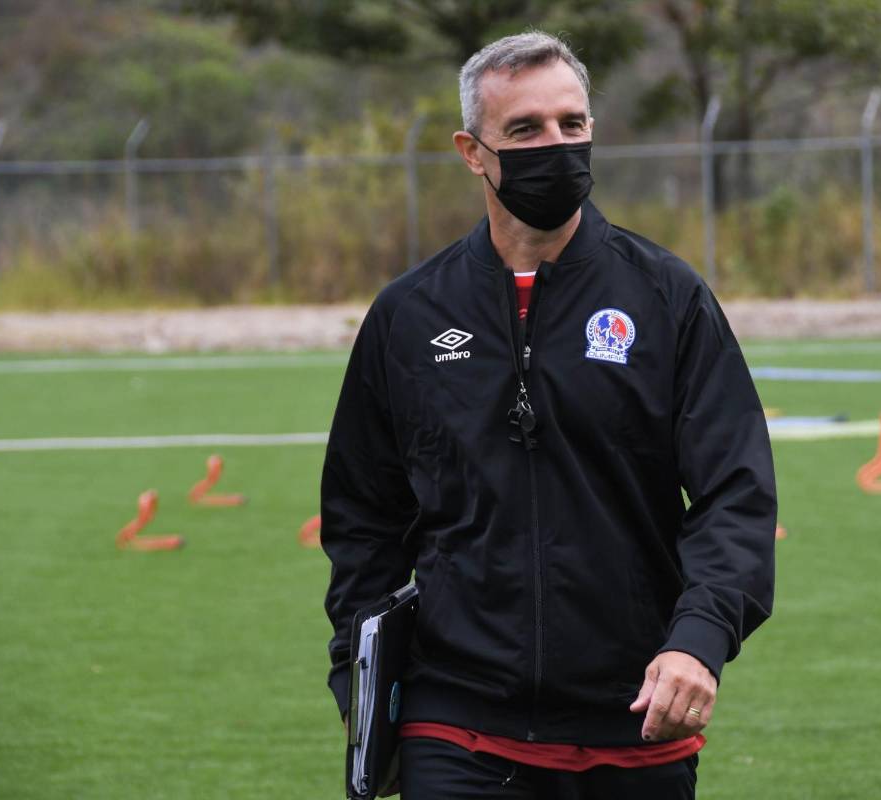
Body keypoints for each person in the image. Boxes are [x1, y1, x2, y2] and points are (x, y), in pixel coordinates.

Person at [321, 30, 776, 800]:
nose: (556, 146)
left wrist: (698, 640)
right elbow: (362, 514)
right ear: (473, 152)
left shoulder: (667, 299)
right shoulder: (409, 315)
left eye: (572, 123)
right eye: (525, 130)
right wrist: (359, 682)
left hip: (634, 722)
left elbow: (737, 493)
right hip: (456, 726)